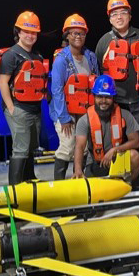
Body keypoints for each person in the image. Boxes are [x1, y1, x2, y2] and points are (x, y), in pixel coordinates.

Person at [0, 11, 48, 185]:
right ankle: (15, 187)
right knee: (20, 149)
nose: (30, 35)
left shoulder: (38, 56)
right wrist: (11, 108)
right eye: (26, 31)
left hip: (35, 109)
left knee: (31, 147)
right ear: (18, 32)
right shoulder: (10, 55)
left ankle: (29, 178)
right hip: (18, 108)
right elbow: (3, 83)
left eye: (33, 32)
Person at [49, 14, 100, 180]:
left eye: (81, 33)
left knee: (84, 147)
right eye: (74, 33)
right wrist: (63, 117)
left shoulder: (90, 57)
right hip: (67, 113)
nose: (78, 37)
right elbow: (56, 90)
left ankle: (79, 178)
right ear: (67, 35)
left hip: (85, 111)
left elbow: (96, 84)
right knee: (67, 146)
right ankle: (58, 185)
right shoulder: (61, 60)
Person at [95, 0, 139, 133]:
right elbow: (99, 71)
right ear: (109, 18)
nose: (119, 17)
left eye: (123, 13)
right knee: (118, 140)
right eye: (114, 14)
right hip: (115, 102)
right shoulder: (104, 42)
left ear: (130, 15)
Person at [73, 75, 139, 182]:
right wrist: (77, 169)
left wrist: (115, 150)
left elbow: (136, 141)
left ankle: (127, 186)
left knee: (135, 156)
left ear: (113, 98)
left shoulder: (125, 115)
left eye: (108, 97)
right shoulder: (84, 120)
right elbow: (79, 147)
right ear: (94, 97)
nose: (103, 101)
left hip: (117, 160)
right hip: (96, 163)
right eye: (100, 97)